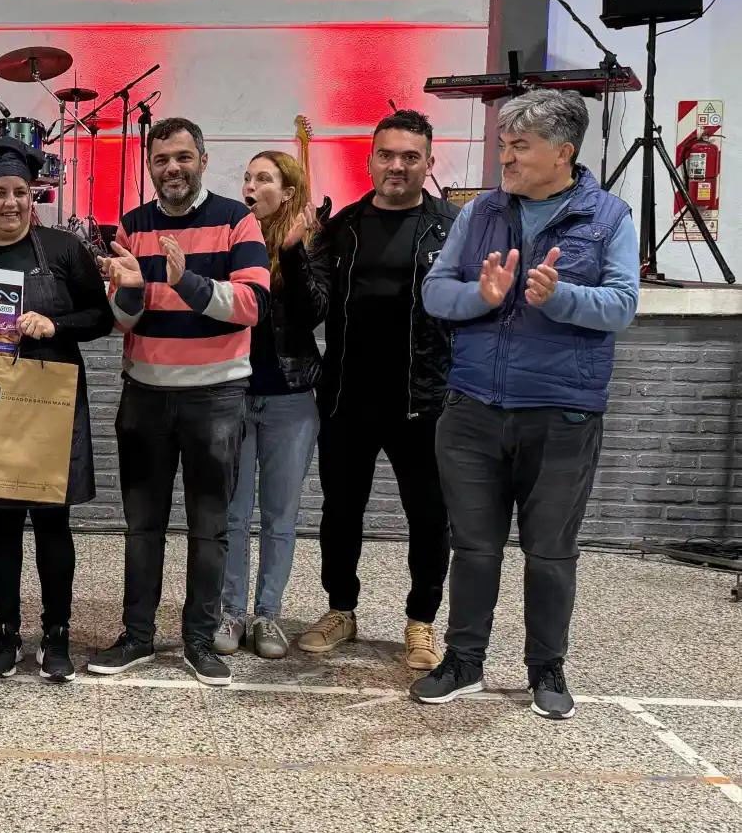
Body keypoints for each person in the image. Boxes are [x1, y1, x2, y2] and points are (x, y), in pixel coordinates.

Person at [413, 90, 638, 720]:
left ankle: (547, 669)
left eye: (520, 146)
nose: (505, 158)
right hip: (473, 409)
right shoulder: (479, 212)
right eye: (502, 145)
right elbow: (436, 294)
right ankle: (463, 662)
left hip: (562, 413)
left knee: (550, 550)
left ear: (564, 152)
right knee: (474, 545)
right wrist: (484, 297)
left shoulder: (609, 216)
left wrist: (561, 297)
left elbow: (622, 305)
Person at [87, 117, 270, 687]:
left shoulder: (237, 221)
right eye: (162, 159)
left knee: (210, 528)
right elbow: (123, 321)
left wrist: (185, 281)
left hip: (215, 396)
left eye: (183, 157)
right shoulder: (133, 227)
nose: (173, 168)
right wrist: (132, 288)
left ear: (203, 159)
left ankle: (198, 641)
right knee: (142, 527)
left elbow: (251, 304)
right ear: (150, 164)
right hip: (145, 395)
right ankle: (138, 636)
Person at [284, 110, 456, 671]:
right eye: (388, 154)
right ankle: (341, 609)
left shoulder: (452, 228)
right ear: (371, 159)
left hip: (422, 398)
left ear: (429, 163)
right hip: (345, 397)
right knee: (341, 510)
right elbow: (313, 311)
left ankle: (422, 620)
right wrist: (294, 251)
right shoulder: (343, 228)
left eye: (411, 157)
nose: (398, 166)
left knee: (428, 513)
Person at [0, 139, 114, 682]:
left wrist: (55, 325)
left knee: (53, 522)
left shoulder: (63, 249)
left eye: (21, 191)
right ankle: (5, 632)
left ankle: (56, 633)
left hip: (51, 403)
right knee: (1, 522)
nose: (12, 202)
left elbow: (101, 318)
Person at [214, 150, 321, 660]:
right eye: (247, 176)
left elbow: (313, 312)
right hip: (234, 392)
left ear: (289, 191)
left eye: (264, 178)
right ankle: (231, 610)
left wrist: (296, 252)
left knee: (280, 515)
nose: (251, 186)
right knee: (232, 514)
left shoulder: (313, 243)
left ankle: (268, 615)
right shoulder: (232, 236)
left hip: (290, 398)